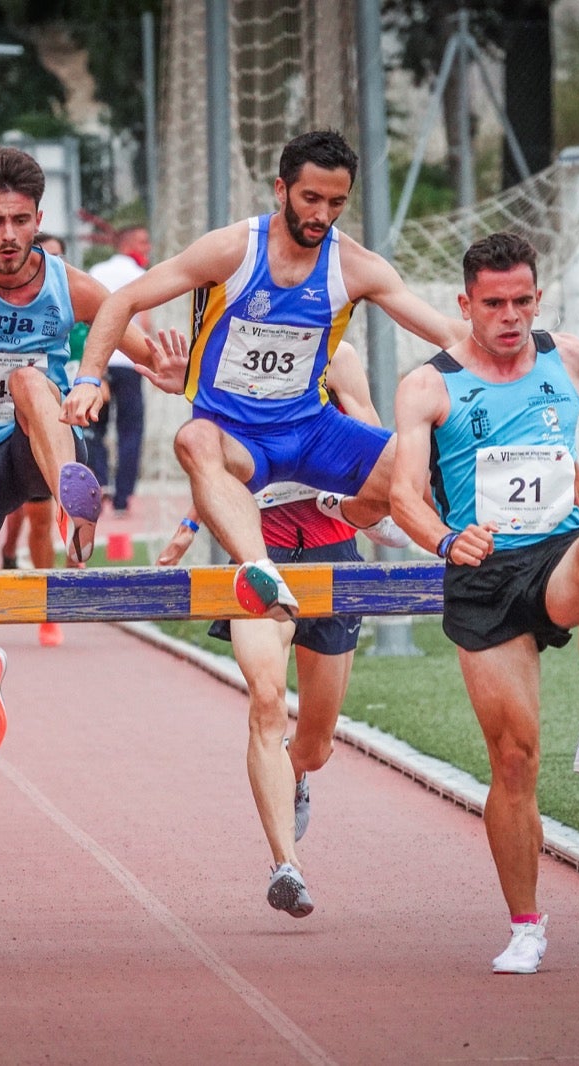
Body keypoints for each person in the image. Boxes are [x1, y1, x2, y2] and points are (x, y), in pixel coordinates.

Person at [64, 129, 455, 624]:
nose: (320, 215)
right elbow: (123, 300)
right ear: (281, 189)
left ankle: (460, 545)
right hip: (236, 438)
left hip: (312, 432)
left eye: (336, 203)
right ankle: (258, 569)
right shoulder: (233, 250)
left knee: (413, 458)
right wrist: (87, 377)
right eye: (310, 198)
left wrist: (524, 346)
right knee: (193, 437)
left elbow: (444, 330)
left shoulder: (354, 265)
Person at [388, 231, 579, 975]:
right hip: (484, 571)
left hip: (556, 560)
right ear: (465, 305)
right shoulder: (427, 386)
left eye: (522, 301)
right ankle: (526, 925)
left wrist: (578, 476)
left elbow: (551, 443)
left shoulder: (572, 358)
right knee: (515, 760)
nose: (510, 315)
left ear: (537, 298)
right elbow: (403, 496)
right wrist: (443, 541)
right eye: (493, 303)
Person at [0, 146, 171, 757]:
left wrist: (167, 368)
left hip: (53, 438)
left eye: (21, 221)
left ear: (39, 218)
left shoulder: (69, 284)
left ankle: (74, 500)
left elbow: (144, 349)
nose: (9, 235)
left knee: (28, 381)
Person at [157, 337, 378, 919]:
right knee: (266, 700)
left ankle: (297, 771)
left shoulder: (341, 358)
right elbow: (213, 461)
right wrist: (188, 520)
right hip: (260, 557)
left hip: (332, 556)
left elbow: (374, 455)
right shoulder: (234, 357)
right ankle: (287, 866)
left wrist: (347, 497)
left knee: (317, 744)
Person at [0, 231, 70, 648]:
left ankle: (46, 611)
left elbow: (97, 351)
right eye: (44, 257)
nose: (47, 268)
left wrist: (95, 383)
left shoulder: (68, 305)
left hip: (39, 428)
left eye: (56, 261)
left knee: (38, 518)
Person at [86, 225, 154, 512]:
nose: (148, 247)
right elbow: (146, 323)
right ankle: (123, 497)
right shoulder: (140, 276)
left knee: (94, 426)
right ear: (127, 244)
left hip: (100, 360)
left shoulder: (97, 272)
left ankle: (100, 483)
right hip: (129, 361)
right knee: (130, 429)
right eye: (143, 241)